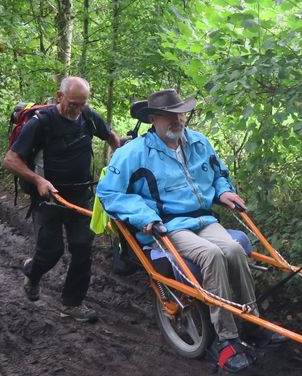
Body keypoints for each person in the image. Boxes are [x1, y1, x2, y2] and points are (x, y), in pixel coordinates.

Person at [96, 89, 285, 372]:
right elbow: (109, 193)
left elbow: (219, 175)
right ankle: (226, 338)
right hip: (166, 225)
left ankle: (252, 323)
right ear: (153, 119)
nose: (177, 120)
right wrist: (145, 217)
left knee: (233, 249)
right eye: (169, 116)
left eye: (180, 114)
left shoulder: (199, 143)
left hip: (203, 219)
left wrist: (223, 193)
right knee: (211, 255)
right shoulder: (133, 153)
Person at [4, 76, 120, 322]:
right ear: (60, 97)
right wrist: (38, 181)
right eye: (73, 104)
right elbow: (11, 160)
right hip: (48, 198)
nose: (77, 109)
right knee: (50, 251)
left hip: (81, 196)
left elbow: (111, 137)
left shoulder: (88, 116)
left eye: (81, 104)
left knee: (82, 248)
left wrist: (117, 162)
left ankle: (72, 304)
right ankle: (32, 272)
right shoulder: (40, 123)